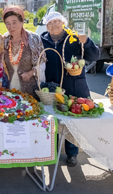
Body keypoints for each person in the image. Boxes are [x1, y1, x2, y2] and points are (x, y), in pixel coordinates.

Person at [41, 11, 100, 167]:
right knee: (52, 121)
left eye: (57, 22)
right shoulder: (42, 40)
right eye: (50, 23)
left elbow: (94, 56)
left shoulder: (74, 38)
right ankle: (51, 151)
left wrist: (87, 42)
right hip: (52, 87)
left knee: (72, 122)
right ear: (46, 26)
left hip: (74, 85)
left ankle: (72, 153)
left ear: (63, 23)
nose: (54, 25)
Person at [2, 6, 46, 99]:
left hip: (29, 90)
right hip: (8, 89)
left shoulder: (34, 39)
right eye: (7, 23)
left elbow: (41, 63)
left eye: (14, 22)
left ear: (22, 21)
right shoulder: (4, 40)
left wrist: (31, 73)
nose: (11, 27)